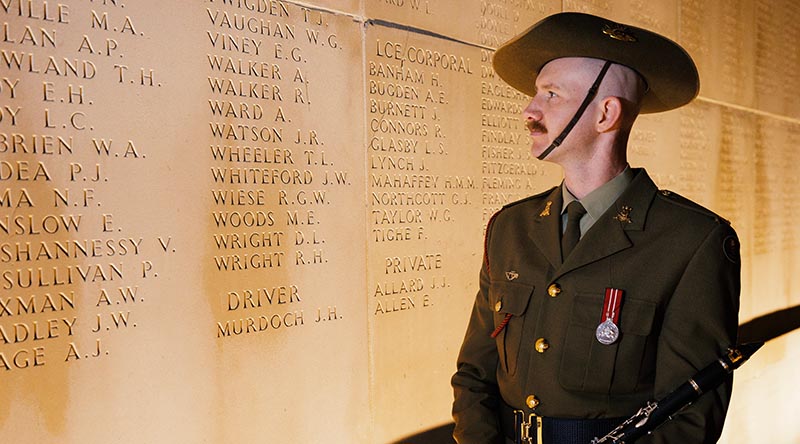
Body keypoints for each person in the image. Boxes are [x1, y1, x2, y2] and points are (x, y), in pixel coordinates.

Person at [451, 12, 740, 444]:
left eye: (551, 94)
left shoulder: (692, 242)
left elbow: (689, 420)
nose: (529, 109)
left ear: (606, 113)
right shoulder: (509, 228)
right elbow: (475, 375)